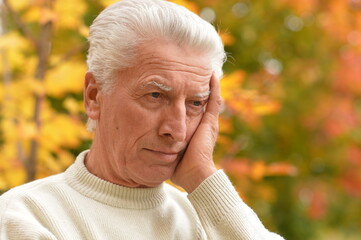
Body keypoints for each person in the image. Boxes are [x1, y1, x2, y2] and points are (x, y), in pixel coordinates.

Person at [0, 0, 284, 239]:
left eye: (196, 103)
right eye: (156, 96)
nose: (178, 129)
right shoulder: (26, 217)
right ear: (94, 95)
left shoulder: (214, 220)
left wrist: (203, 178)